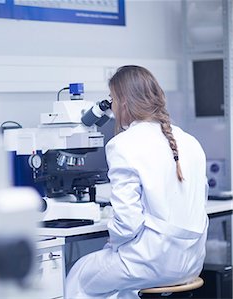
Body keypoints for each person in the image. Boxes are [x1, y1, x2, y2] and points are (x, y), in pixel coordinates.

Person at [65, 65, 208, 299]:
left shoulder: (123, 144)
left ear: (122, 102)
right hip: (191, 262)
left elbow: (127, 224)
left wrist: (113, 243)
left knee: (79, 276)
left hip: (152, 264)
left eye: (112, 99)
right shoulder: (190, 141)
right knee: (122, 286)